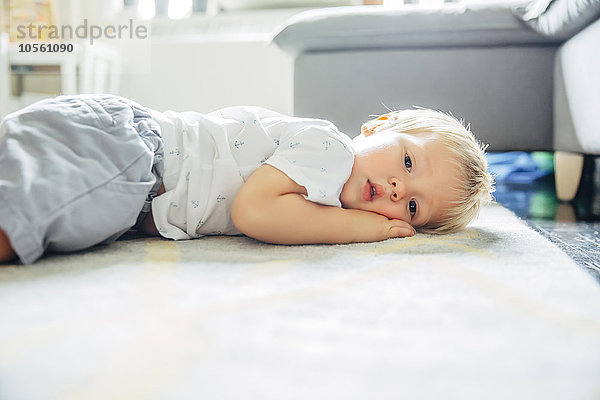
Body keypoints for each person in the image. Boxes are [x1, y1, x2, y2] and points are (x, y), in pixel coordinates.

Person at [0, 94, 494, 265]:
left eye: (412, 208)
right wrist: (367, 229)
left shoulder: (326, 191)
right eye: (408, 164)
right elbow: (254, 212)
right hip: (132, 156)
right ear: (378, 127)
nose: (397, 190)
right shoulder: (332, 152)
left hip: (126, 164)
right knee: (20, 223)